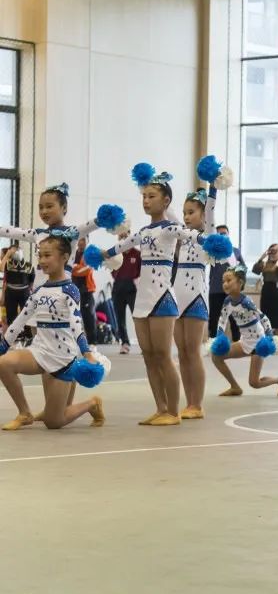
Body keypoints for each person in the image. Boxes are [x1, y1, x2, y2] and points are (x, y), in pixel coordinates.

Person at [89, 164, 199, 426]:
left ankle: (173, 411)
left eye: (152, 196)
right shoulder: (142, 232)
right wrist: (99, 255)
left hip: (163, 297)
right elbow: (117, 248)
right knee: (149, 356)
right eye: (144, 196)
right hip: (142, 299)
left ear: (166, 200)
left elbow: (194, 235)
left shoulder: (171, 228)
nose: (146, 201)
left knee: (163, 355)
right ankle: (160, 408)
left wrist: (213, 243)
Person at [0, 235, 104, 431]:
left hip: (62, 358)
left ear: (64, 257)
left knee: (53, 422)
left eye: (48, 255)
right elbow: (20, 319)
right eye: (40, 255)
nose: (42, 260)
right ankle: (25, 413)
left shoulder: (70, 290)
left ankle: (92, 404)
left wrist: (87, 352)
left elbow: (76, 323)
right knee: (4, 364)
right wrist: (3, 346)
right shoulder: (39, 290)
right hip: (39, 352)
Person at [172, 165, 230, 421]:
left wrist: (213, 185)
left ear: (202, 214)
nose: (186, 217)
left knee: (193, 351)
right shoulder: (183, 236)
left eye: (191, 212)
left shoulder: (206, 234)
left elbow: (212, 207)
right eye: (184, 212)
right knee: (182, 351)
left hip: (196, 295)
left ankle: (198, 403)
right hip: (177, 295)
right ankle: (188, 400)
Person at [0, 183, 125, 289]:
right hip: (38, 292)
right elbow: (12, 231)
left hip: (62, 292)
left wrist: (106, 218)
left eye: (49, 206)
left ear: (64, 208)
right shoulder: (38, 233)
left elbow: (95, 222)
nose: (44, 211)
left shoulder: (73, 232)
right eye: (41, 207)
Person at [212, 266, 278, 398]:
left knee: (254, 383)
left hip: (258, 343)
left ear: (240, 282)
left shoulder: (246, 302)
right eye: (223, 281)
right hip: (244, 342)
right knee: (216, 356)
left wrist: (269, 337)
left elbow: (263, 318)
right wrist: (219, 335)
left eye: (229, 280)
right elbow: (222, 320)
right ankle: (235, 387)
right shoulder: (227, 301)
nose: (225, 284)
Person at [208, 225, 245, 341]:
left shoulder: (236, 251)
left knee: (235, 317)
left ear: (228, 234)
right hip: (215, 289)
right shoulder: (212, 251)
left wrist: (239, 282)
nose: (222, 235)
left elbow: (243, 268)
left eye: (224, 233)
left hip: (232, 291)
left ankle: (237, 341)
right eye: (219, 234)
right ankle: (213, 342)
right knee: (214, 317)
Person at [110, 240, 140, 354]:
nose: (123, 237)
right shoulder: (116, 254)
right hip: (118, 289)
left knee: (137, 318)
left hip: (132, 290)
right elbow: (111, 269)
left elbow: (142, 271)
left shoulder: (137, 254)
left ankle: (143, 344)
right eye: (120, 235)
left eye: (125, 234)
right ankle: (125, 343)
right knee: (120, 318)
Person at [252, 243, 278, 337]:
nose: (273, 253)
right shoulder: (264, 264)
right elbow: (255, 270)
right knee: (265, 318)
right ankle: (268, 342)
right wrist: (261, 258)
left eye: (275, 251)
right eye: (271, 250)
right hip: (266, 291)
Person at [1, 243, 32, 344]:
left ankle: (27, 336)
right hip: (11, 292)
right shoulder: (9, 264)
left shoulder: (28, 265)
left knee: (26, 314)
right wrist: (8, 254)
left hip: (24, 292)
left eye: (18, 250)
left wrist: (30, 292)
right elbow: (1, 268)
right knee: (11, 315)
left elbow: (31, 282)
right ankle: (13, 337)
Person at [71, 238, 98, 346]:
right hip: (73, 289)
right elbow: (68, 268)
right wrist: (76, 268)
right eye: (80, 240)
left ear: (86, 241)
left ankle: (92, 342)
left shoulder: (90, 254)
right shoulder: (72, 253)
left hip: (86, 290)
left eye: (83, 240)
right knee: (73, 316)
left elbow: (87, 270)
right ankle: (75, 341)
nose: (81, 242)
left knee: (88, 317)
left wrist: (76, 268)